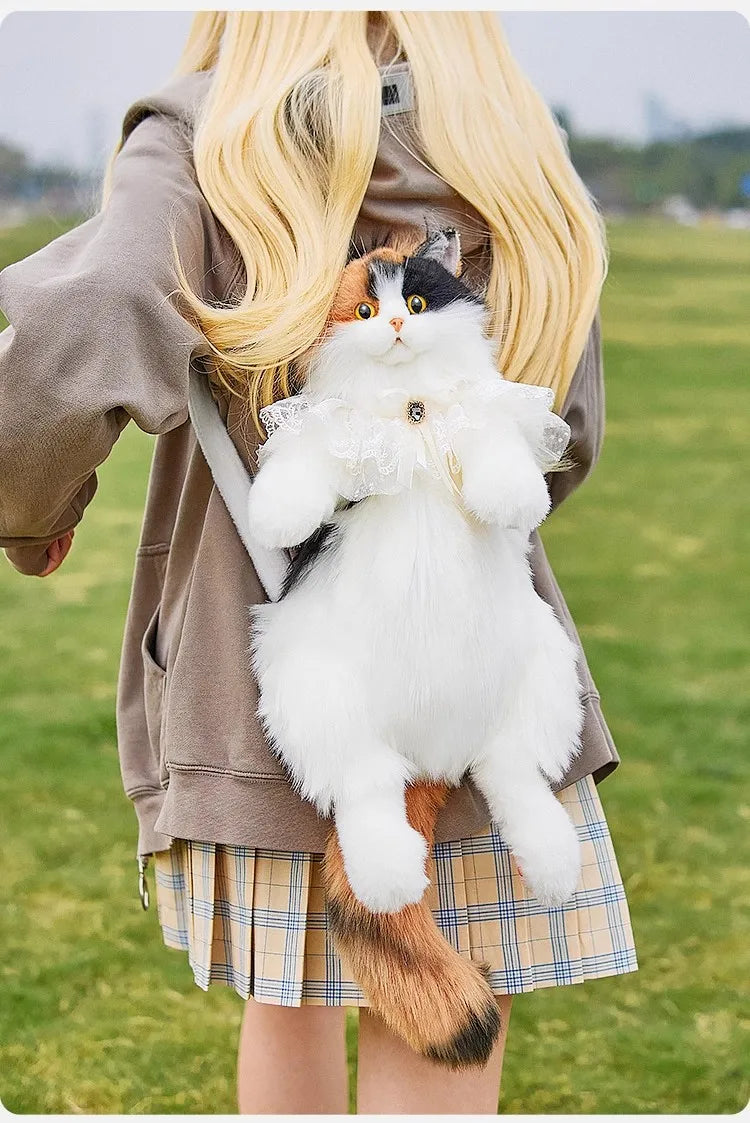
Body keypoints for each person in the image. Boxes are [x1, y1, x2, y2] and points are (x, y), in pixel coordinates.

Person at [0, 11, 637, 1115]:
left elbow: (94, 310)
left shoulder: (210, 137)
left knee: (287, 998)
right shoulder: (508, 145)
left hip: (262, 687)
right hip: (476, 670)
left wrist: (28, 504)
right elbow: (562, 431)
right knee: (450, 1002)